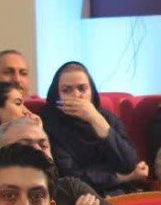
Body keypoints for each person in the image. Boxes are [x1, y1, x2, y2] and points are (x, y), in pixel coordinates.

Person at [39, 61, 148, 196]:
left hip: (121, 192)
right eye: (66, 90)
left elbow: (130, 164)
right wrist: (121, 178)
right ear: (57, 95)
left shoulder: (106, 118)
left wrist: (96, 120)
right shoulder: (50, 125)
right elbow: (71, 177)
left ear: (92, 92)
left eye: (82, 89)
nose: (76, 95)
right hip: (80, 196)